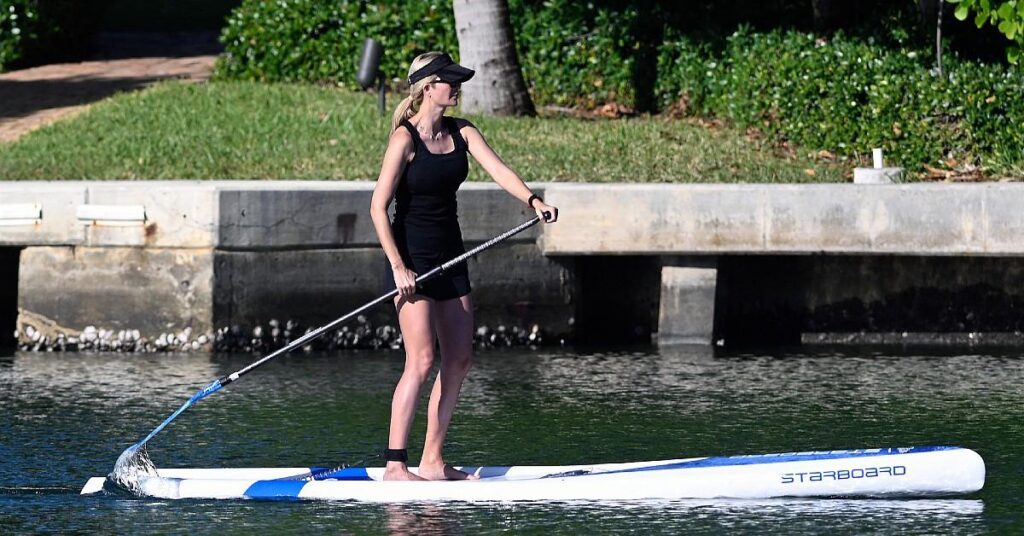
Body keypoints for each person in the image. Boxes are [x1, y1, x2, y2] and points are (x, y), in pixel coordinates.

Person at [369, 51, 558, 481]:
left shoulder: (463, 132)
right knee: (421, 360)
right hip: (412, 260)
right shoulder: (404, 140)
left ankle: (432, 461)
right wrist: (398, 266)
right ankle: (395, 465)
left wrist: (533, 200)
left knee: (459, 358)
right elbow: (378, 207)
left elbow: (499, 170)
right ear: (427, 87)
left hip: (451, 256)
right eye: (449, 81)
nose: (457, 87)